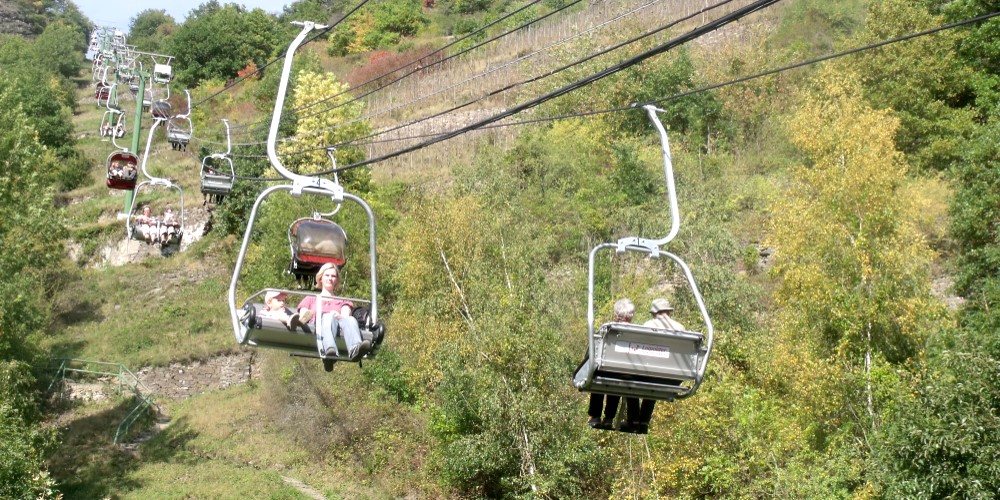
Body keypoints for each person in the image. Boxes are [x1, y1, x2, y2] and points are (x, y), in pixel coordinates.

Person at [621, 298, 686, 434]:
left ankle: (633, 421)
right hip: (672, 377)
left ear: (654, 313)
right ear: (668, 312)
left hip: (650, 373)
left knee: (629, 378)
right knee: (655, 383)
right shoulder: (680, 328)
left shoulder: (649, 325)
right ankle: (643, 422)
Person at [295, 262, 369, 361]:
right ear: (321, 278)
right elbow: (303, 316)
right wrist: (313, 313)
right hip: (319, 326)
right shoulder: (311, 299)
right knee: (328, 317)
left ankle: (355, 349)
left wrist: (338, 316)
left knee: (350, 319)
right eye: (327, 275)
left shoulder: (343, 301)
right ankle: (330, 350)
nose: (330, 278)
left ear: (336, 280)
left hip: (338, 326)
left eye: (333, 276)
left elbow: (345, 316)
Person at [587, 298, 634, 430]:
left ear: (616, 315)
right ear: (631, 316)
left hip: (606, 369)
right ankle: (609, 418)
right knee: (618, 376)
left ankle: (595, 415)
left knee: (599, 375)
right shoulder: (637, 333)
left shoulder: (607, 329)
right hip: (625, 371)